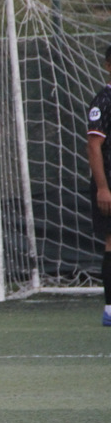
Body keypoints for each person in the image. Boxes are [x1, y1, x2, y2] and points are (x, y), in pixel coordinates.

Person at [86, 43, 111, 326]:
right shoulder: (103, 101)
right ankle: (110, 309)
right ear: (108, 66)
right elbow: (94, 146)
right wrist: (103, 188)